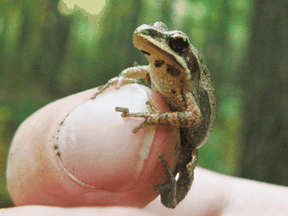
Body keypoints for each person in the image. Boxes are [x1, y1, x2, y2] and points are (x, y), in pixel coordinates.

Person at [4, 85, 288, 215]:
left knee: (180, 178)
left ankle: (170, 188)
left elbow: (193, 118)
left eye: (175, 42)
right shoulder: (160, 69)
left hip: (188, 144)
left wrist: (156, 119)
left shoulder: (186, 84)